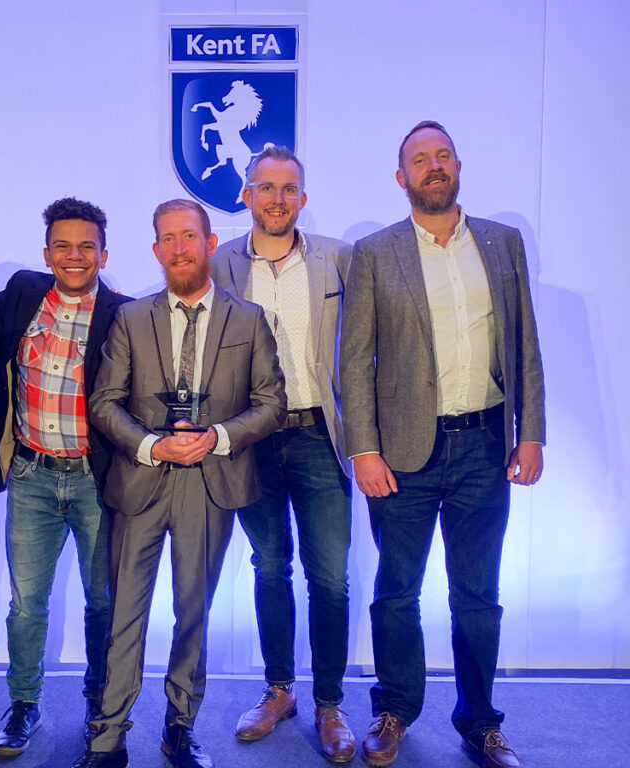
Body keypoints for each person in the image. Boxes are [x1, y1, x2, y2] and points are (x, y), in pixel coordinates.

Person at [340, 121, 545, 768]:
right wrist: (363, 450)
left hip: (485, 445)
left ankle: (481, 723)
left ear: (458, 166)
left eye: (442, 155)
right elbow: (354, 361)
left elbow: (526, 347)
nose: (433, 166)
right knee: (397, 590)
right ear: (401, 178)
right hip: (401, 454)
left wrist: (531, 433)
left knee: (477, 595)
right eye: (419, 159)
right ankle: (394, 712)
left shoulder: (502, 243)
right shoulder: (374, 253)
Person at [74, 199, 287, 768]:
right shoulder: (131, 318)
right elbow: (104, 402)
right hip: (142, 479)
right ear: (155, 250)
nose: (178, 248)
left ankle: (179, 727)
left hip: (210, 480)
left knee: (193, 610)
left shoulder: (247, 319)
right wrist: (151, 444)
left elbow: (272, 403)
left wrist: (216, 435)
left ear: (210, 241)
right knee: (125, 615)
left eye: (188, 236)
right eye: (167, 239)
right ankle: (108, 736)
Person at [211, 145, 356, 762]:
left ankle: (329, 703)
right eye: (264, 187)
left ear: (303, 196)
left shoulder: (338, 260)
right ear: (246, 195)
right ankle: (279, 691)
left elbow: (363, 347)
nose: (277, 198)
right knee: (270, 567)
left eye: (288, 188)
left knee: (329, 575)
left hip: (320, 434)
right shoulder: (220, 263)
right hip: (251, 439)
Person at [0, 197, 132, 755]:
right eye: (63, 246)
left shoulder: (122, 313)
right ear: (46, 252)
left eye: (86, 247)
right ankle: (25, 704)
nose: (75, 257)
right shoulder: (22, 296)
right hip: (32, 475)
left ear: (103, 253)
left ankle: (100, 704)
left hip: (97, 482)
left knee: (103, 601)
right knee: (27, 603)